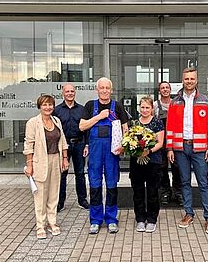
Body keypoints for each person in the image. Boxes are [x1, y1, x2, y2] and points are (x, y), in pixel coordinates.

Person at [166, 67, 208, 235]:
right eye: (186, 79)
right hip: (181, 148)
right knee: (185, 183)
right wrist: (170, 148)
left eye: (192, 79)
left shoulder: (205, 100)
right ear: (183, 80)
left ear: (196, 80)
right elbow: (170, 127)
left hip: (200, 149)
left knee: (203, 183)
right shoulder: (175, 102)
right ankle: (189, 213)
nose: (189, 81)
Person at [79, 77, 129, 234]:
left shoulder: (118, 106)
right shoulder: (89, 106)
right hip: (95, 152)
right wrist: (99, 116)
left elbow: (125, 128)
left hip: (112, 152)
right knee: (95, 185)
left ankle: (111, 219)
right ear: (97, 89)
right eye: (102, 88)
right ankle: (95, 220)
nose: (105, 90)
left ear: (111, 90)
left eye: (107, 88)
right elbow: (82, 126)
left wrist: (123, 146)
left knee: (112, 184)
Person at [23, 95, 69, 239]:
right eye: (44, 105)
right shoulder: (33, 123)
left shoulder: (56, 121)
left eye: (50, 105)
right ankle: (40, 225)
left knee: (54, 193)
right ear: (39, 106)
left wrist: (65, 159)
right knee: (40, 195)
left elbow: (62, 141)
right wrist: (29, 165)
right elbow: (28, 145)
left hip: (56, 159)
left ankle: (52, 222)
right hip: (40, 161)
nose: (48, 107)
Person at [53, 84, 89, 211]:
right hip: (64, 145)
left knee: (80, 173)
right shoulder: (56, 110)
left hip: (79, 144)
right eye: (67, 91)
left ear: (75, 93)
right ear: (63, 93)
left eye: (72, 91)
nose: (70, 93)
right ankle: (60, 202)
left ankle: (82, 200)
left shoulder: (82, 109)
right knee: (62, 174)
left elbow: (86, 129)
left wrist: (87, 144)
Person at [130, 96, 164, 233]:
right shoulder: (134, 123)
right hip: (136, 161)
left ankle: (151, 219)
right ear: (139, 107)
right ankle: (140, 219)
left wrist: (148, 151)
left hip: (153, 161)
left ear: (152, 109)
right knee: (137, 191)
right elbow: (129, 140)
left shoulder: (157, 123)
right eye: (142, 107)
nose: (144, 110)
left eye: (147, 107)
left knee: (152, 191)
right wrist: (136, 150)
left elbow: (160, 142)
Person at [154, 81, 182, 206]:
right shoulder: (155, 105)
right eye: (162, 88)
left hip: (175, 141)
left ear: (170, 90)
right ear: (159, 91)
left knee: (177, 167)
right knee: (161, 168)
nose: (165, 90)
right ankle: (165, 191)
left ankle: (178, 192)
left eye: (167, 88)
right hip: (161, 142)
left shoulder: (177, 104)